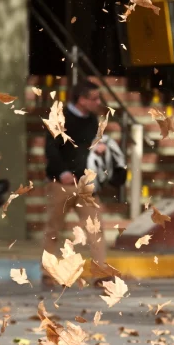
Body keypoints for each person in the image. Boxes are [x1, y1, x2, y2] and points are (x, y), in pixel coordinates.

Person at [43, 79, 111, 286]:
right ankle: (47, 273)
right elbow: (51, 149)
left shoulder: (92, 121)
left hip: (85, 184)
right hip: (61, 183)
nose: (97, 102)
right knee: (54, 228)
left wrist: (98, 148)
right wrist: (61, 171)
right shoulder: (60, 118)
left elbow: (87, 147)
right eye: (93, 98)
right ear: (81, 99)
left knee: (95, 228)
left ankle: (100, 274)